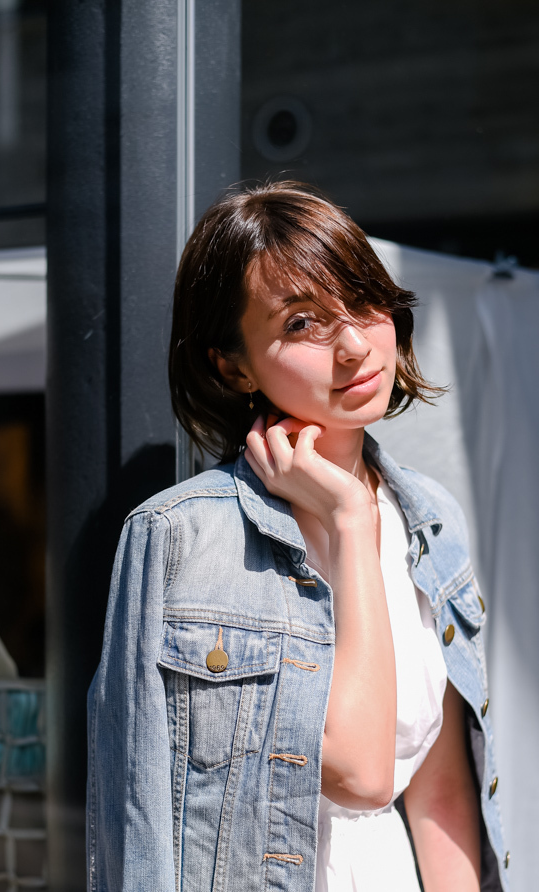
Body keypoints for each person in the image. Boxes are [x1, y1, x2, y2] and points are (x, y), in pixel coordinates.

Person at [86, 182, 509, 892]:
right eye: (303, 322)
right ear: (234, 365)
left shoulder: (428, 517)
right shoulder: (179, 537)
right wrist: (347, 523)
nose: (353, 345)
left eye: (363, 300)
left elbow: (438, 795)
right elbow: (139, 820)